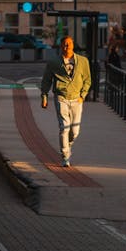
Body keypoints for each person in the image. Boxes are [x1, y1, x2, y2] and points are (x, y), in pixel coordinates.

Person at [39, 35, 93, 167]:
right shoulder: (54, 63)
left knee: (74, 131)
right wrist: (44, 96)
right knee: (64, 128)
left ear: (73, 45)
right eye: (64, 44)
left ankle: (67, 146)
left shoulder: (83, 61)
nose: (66, 46)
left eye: (68, 44)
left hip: (77, 100)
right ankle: (65, 156)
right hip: (61, 98)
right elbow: (46, 80)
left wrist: (82, 95)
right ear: (60, 47)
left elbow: (87, 80)